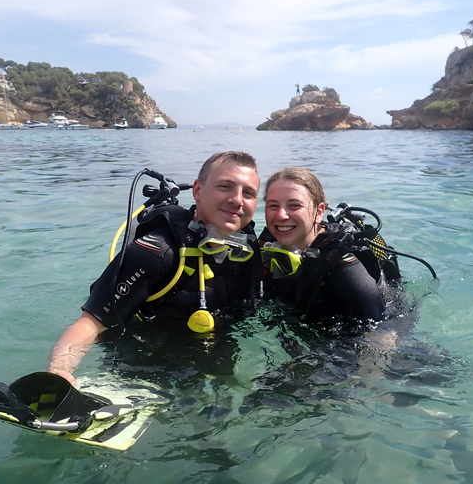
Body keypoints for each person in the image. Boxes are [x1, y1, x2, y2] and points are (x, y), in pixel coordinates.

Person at [49, 151, 261, 385]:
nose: (237, 200)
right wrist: (59, 371)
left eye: (248, 193)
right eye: (225, 186)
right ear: (198, 190)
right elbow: (90, 323)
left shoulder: (247, 251)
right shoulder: (157, 251)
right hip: (146, 362)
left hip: (215, 357)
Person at [259, 167, 399, 330]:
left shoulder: (344, 268)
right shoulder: (266, 245)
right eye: (273, 206)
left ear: (319, 213)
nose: (281, 215)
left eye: (294, 205)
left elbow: (384, 337)